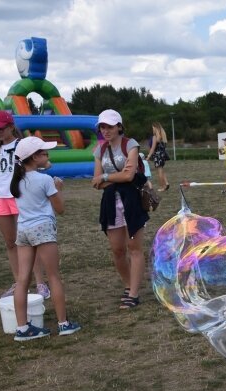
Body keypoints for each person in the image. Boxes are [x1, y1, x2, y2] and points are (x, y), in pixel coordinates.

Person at [9, 136, 80, 340]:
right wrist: (57, 189)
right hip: (43, 230)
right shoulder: (45, 180)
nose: (47, 155)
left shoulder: (17, 180)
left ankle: (22, 328)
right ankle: (63, 324)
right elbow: (61, 209)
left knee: (22, 280)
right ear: (33, 157)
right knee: (54, 276)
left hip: (23, 231)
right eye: (43, 153)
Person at [90, 109, 149, 309]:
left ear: (119, 127)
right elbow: (95, 182)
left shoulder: (130, 144)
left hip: (131, 200)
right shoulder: (100, 150)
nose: (105, 131)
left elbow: (128, 176)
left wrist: (107, 177)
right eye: (102, 127)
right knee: (117, 250)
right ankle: (128, 284)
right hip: (110, 202)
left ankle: (133, 293)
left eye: (110, 126)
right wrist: (114, 177)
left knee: (134, 248)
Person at [0, 110, 50, 300]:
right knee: (11, 243)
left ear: (10, 126)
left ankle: (40, 283)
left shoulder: (22, 146)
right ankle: (20, 284)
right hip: (0, 198)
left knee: (29, 241)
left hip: (19, 197)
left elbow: (44, 162)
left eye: (1, 128)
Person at [145, 122, 169, 191]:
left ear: (155, 128)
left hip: (158, 156)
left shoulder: (155, 137)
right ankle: (166, 183)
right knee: (161, 170)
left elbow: (152, 148)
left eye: (152, 128)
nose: (152, 129)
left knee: (159, 171)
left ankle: (162, 187)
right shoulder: (162, 137)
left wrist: (148, 156)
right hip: (163, 155)